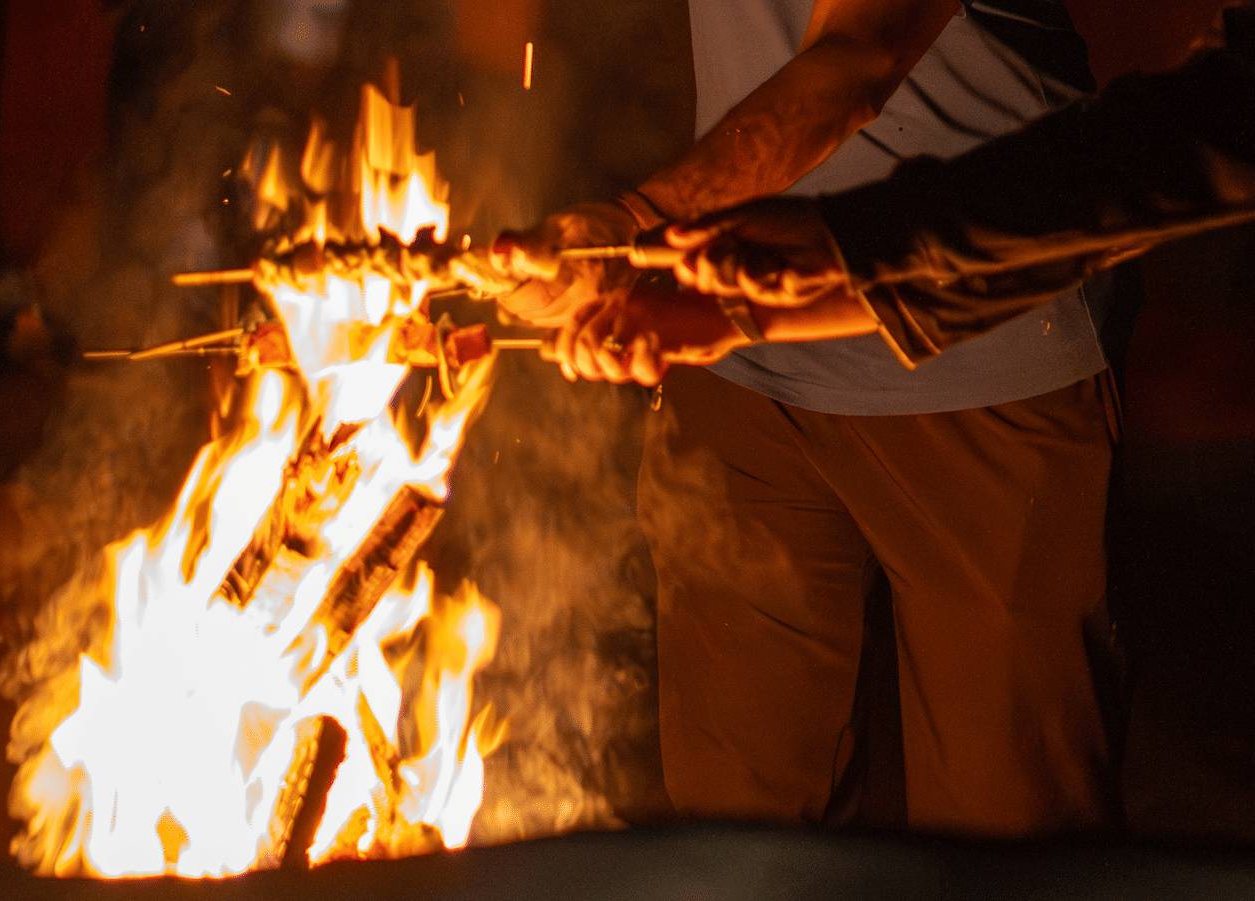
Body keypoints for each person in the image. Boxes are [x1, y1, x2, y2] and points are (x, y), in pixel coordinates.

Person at [495, 0, 1122, 836]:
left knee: (1013, 829)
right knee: (734, 823)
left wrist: (632, 228)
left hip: (976, 350)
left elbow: (855, 62)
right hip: (734, 345)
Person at [559, 1, 1254, 380]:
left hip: (992, 379)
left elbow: (858, 59)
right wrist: (737, 320)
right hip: (798, 354)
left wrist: (633, 227)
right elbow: (1149, 165)